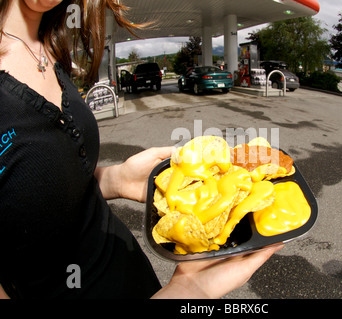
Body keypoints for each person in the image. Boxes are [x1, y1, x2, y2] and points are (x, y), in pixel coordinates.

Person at [0, 0, 281, 299]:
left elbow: (41, 187)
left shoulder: (49, 45)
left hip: (131, 270)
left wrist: (115, 179)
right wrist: (187, 294)